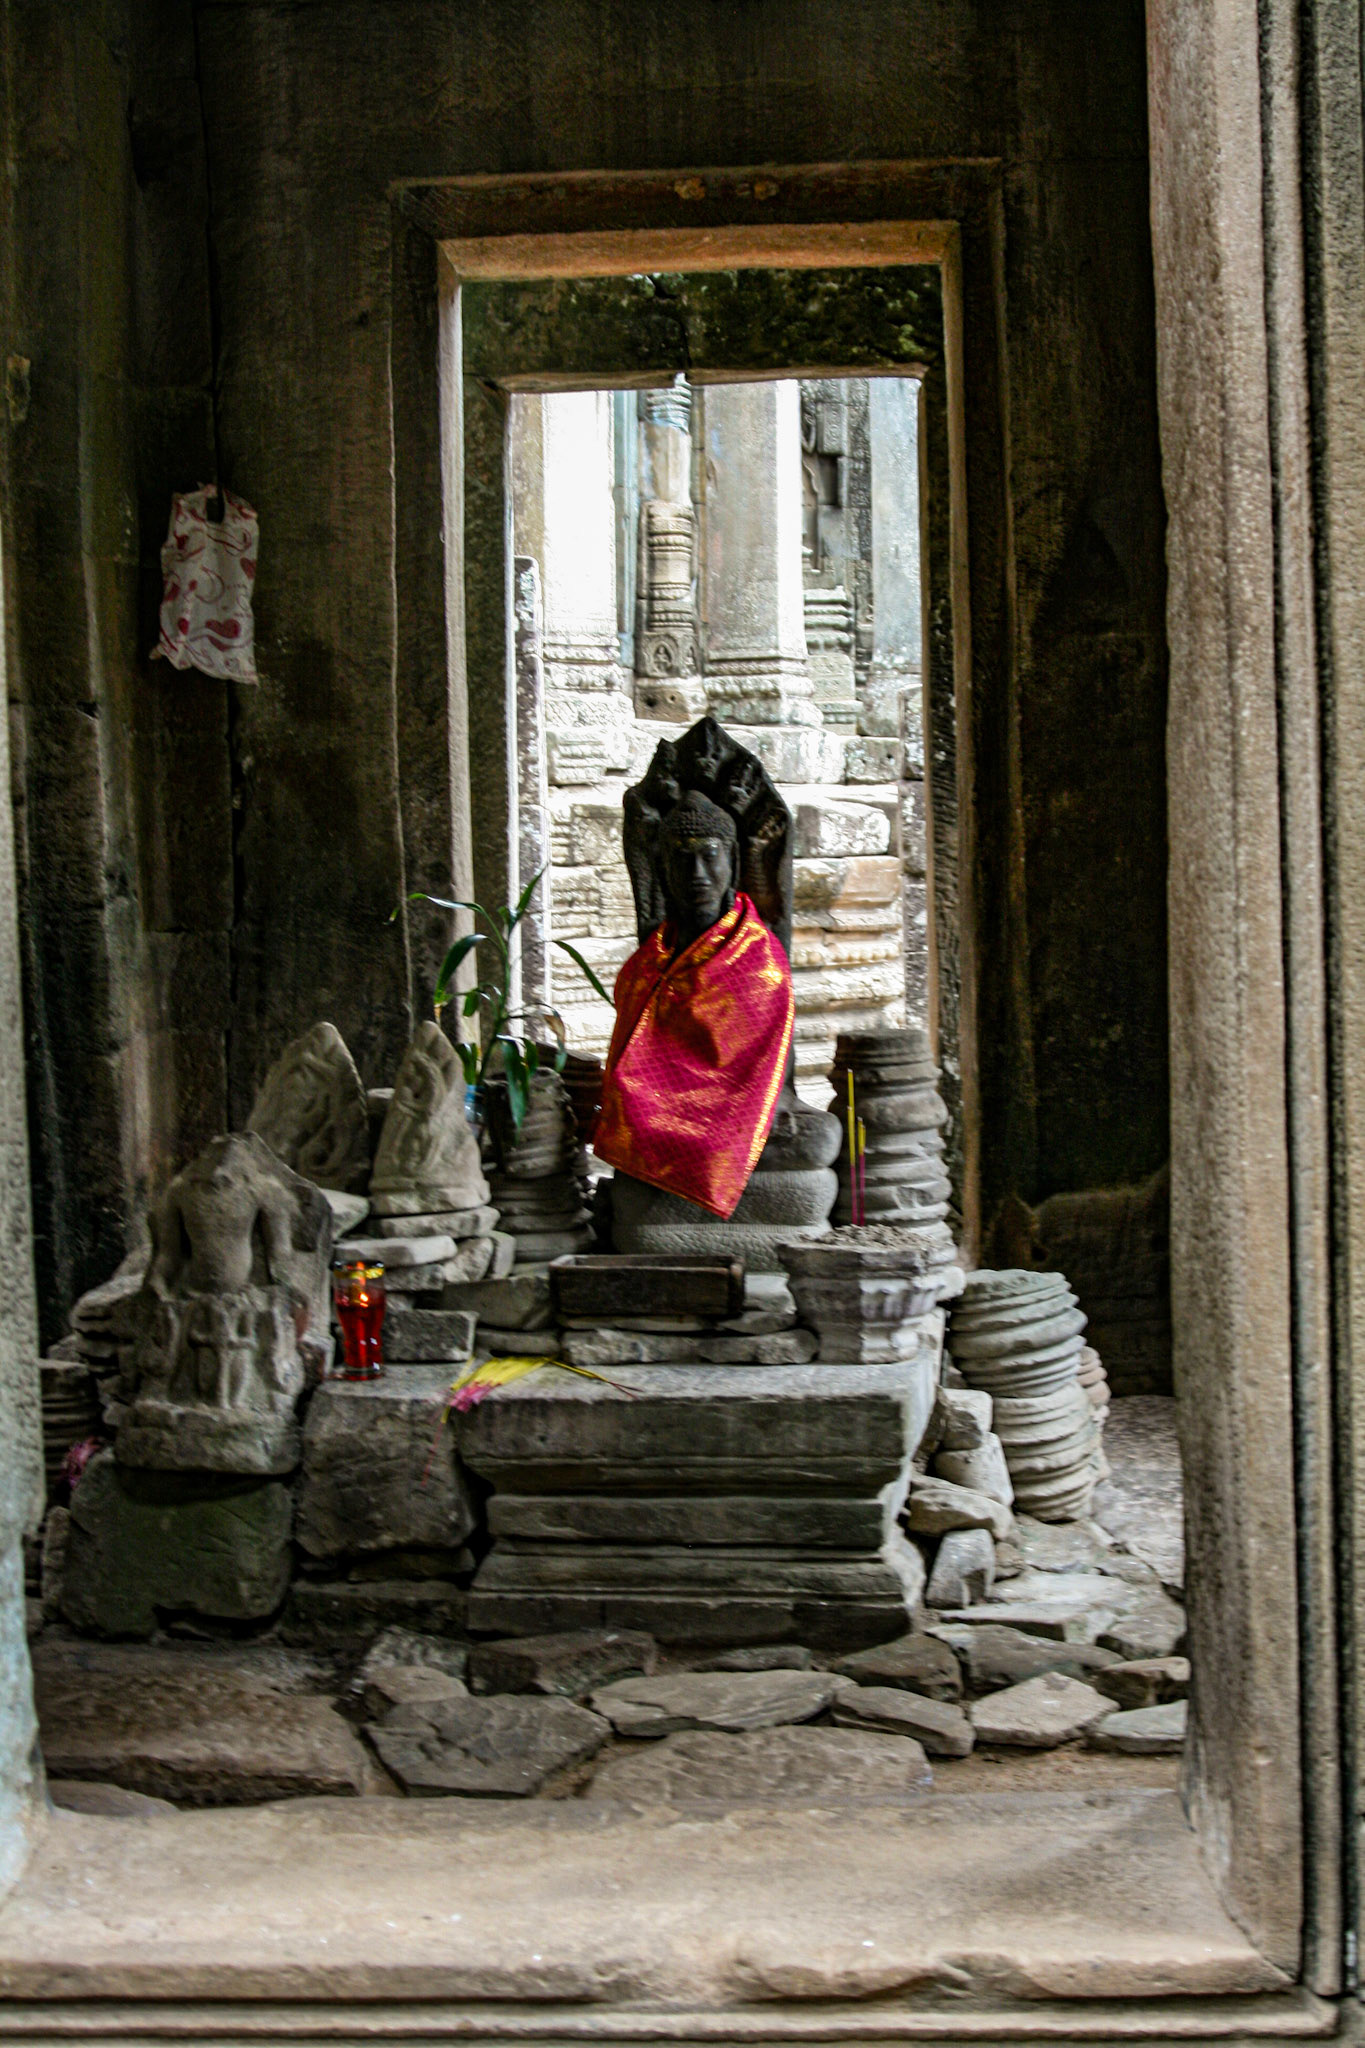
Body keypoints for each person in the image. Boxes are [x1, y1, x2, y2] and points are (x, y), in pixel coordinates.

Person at [594, 790, 794, 1218]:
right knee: (625, 1118)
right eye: (682, 859)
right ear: (663, 870)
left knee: (815, 1140)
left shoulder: (760, 959)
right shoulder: (648, 962)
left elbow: (762, 1067)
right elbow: (628, 1062)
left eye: (710, 856)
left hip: (737, 1110)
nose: (698, 873)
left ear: (734, 864)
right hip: (651, 1109)